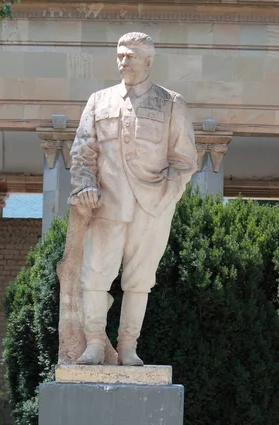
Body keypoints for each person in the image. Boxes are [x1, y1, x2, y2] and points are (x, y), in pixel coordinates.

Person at [69, 31, 197, 366]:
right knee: (95, 275)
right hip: (107, 203)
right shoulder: (99, 101)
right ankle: (95, 342)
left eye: (130, 56)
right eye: (120, 55)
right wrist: (84, 185)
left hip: (152, 206)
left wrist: (168, 194)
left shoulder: (171, 103)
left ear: (148, 61)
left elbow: (185, 160)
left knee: (140, 280)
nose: (123, 61)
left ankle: (128, 346)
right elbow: (82, 151)